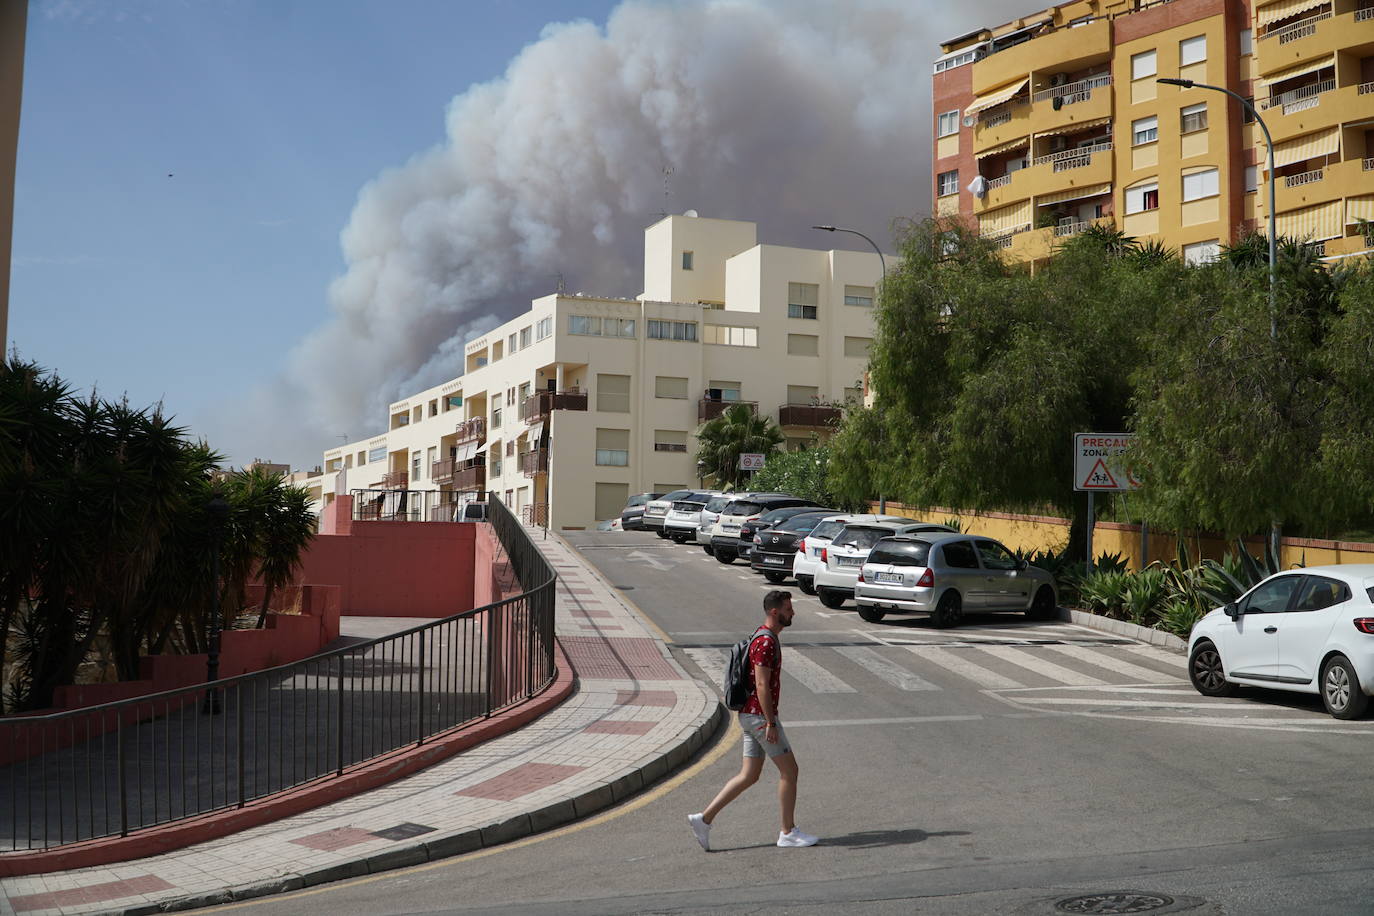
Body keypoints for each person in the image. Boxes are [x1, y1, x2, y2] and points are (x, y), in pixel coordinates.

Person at [688, 589, 818, 850]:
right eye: (788, 609)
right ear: (774, 611)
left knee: (749, 775)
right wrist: (770, 722)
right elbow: (761, 684)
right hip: (759, 717)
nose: (792, 612)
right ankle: (788, 831)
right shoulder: (767, 642)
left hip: (750, 715)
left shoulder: (762, 636)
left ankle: (704, 819)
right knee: (790, 771)